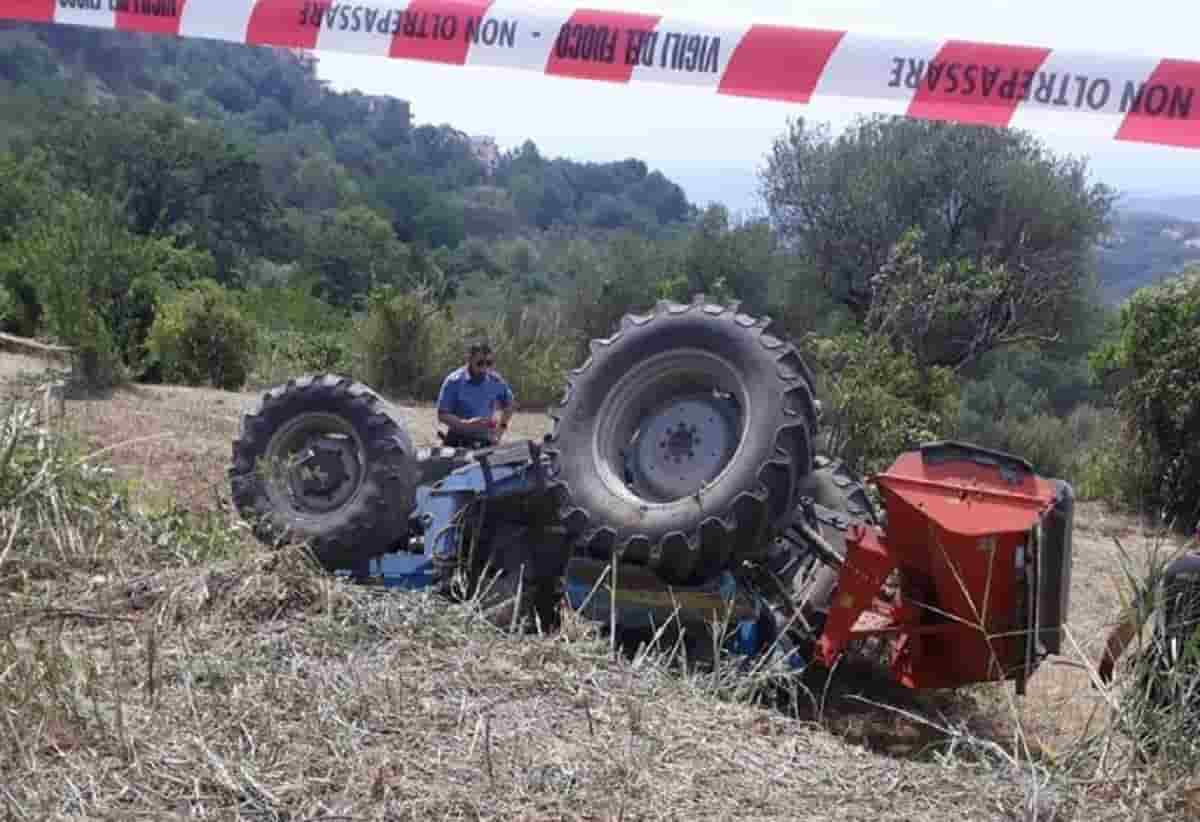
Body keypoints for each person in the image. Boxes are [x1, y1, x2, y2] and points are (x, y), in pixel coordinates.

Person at [436, 340, 515, 450]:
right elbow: (442, 414)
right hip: (457, 440)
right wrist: (465, 424)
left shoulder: (495, 381)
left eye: (489, 363)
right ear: (469, 360)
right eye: (480, 363)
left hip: (486, 440)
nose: (484, 368)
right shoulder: (454, 381)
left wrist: (500, 429)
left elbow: (509, 405)